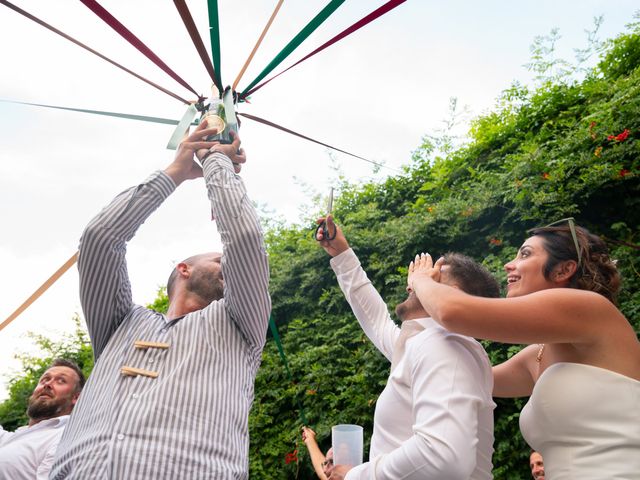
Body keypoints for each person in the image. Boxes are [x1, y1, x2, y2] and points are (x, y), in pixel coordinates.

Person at [50, 122, 271, 479]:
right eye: (218, 259)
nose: (228, 263)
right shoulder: (120, 323)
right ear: (183, 269)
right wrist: (176, 172)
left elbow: (244, 241)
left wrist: (216, 162)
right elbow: (99, 239)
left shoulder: (241, 324)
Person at [408, 220, 640, 479]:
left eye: (525, 254)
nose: (509, 264)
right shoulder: (538, 353)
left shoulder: (591, 308)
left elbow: (451, 312)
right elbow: (459, 375)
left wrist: (421, 281)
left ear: (564, 269)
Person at [316, 215, 499, 480]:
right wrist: (341, 254)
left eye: (431, 276)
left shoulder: (446, 345)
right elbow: (376, 319)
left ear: (454, 293)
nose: (413, 281)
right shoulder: (422, 343)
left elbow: (442, 457)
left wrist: (356, 476)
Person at [0, 358, 84, 480]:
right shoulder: (13, 437)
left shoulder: (65, 437)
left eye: (61, 380)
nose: (47, 384)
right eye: (45, 379)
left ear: (76, 398)